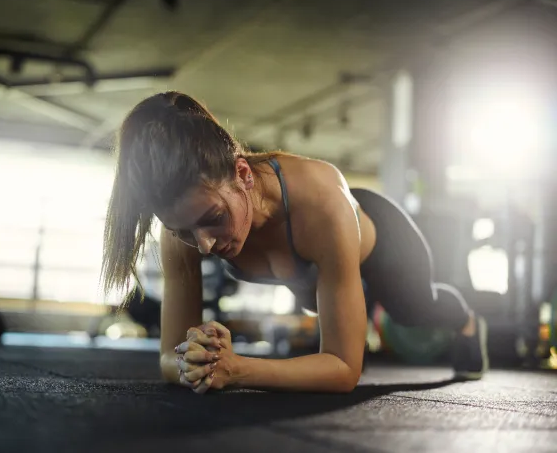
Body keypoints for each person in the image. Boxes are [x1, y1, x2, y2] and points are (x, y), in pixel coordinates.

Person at [101, 91, 489, 395]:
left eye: (214, 219)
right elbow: (169, 357)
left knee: (416, 310)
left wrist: (238, 368)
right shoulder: (184, 223)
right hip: (322, 278)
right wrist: (195, 360)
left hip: (383, 244)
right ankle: (357, 311)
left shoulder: (322, 204)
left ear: (242, 174)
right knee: (332, 313)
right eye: (183, 231)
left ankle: (468, 322)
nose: (201, 245)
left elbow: (342, 370)